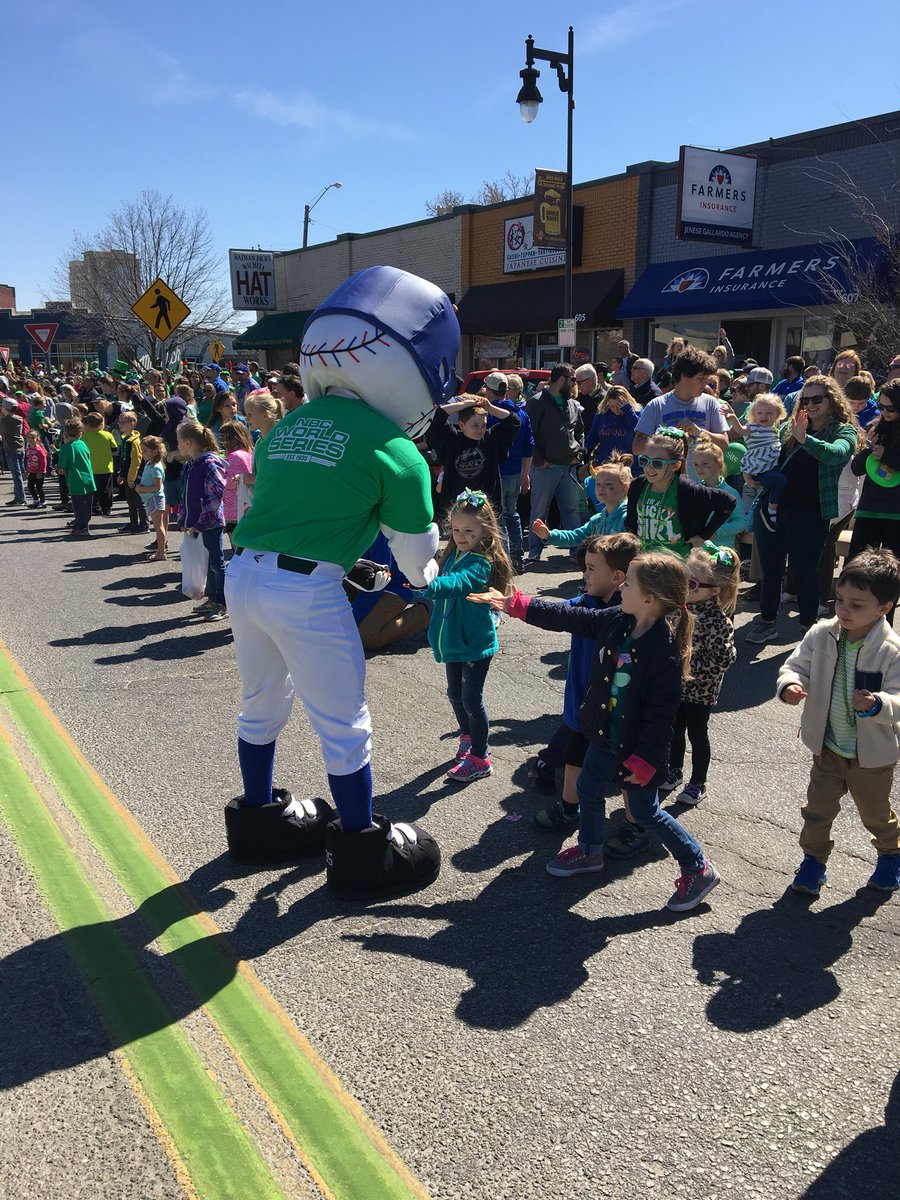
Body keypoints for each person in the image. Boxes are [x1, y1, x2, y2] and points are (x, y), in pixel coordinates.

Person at [224, 266, 456, 898]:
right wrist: (428, 579)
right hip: (305, 590)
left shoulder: (285, 430)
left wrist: (347, 559)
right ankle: (361, 849)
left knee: (260, 702)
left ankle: (259, 818)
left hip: (243, 576)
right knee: (344, 722)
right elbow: (416, 557)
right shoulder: (396, 448)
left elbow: (289, 517)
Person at [472, 552, 722, 911]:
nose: (621, 586)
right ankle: (590, 850)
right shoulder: (618, 620)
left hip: (638, 753)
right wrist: (520, 605)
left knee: (647, 811)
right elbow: (572, 616)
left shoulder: (663, 652)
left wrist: (646, 761)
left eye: (629, 583)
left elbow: (661, 717)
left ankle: (697, 866)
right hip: (604, 736)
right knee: (588, 788)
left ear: (650, 599)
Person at [778, 548, 900, 895]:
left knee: (875, 813)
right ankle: (813, 864)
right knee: (817, 811)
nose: (844, 610)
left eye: (856, 604)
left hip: (871, 757)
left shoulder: (891, 650)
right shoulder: (822, 634)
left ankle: (891, 853)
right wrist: (790, 685)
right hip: (828, 747)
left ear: (884, 608)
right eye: (840, 599)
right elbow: (794, 666)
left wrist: (879, 704)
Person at [531, 532, 642, 831]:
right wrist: (516, 604)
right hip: (583, 700)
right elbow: (555, 613)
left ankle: (635, 827)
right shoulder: (584, 601)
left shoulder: (631, 613)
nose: (584, 573)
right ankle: (569, 808)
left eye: (592, 568)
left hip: (617, 708)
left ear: (618, 576)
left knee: (625, 770)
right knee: (574, 754)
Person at [409, 490, 512, 783]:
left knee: (471, 699)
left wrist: (427, 585)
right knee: (455, 694)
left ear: (485, 530)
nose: (461, 536)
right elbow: (442, 579)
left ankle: (480, 758)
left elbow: (458, 583)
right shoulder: (452, 553)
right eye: (455, 530)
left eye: (469, 531)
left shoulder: (480, 560)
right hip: (454, 641)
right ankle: (467, 736)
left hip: (475, 642)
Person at [746, 376, 857, 644]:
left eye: (817, 399)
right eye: (805, 400)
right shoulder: (790, 427)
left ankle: (808, 628)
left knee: (805, 571)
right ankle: (768, 621)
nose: (810, 404)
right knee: (771, 570)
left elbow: (838, 454)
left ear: (832, 400)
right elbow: (767, 455)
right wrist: (752, 473)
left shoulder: (843, 430)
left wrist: (805, 439)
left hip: (811, 512)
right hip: (773, 507)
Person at [662, 546, 739, 806]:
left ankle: (698, 782)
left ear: (715, 589)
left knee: (697, 733)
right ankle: (674, 770)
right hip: (674, 687)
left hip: (700, 692)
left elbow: (724, 659)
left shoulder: (718, 620)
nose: (687, 587)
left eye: (693, 583)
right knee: (674, 731)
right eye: (685, 580)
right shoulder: (678, 609)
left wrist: (689, 672)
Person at [625, 427, 735, 557]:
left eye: (657, 463)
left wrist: (703, 536)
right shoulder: (638, 485)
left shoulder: (687, 489)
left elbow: (728, 502)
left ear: (675, 465)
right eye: (644, 460)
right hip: (645, 559)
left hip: (678, 562)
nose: (649, 467)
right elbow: (631, 523)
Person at [425, 390, 520, 522]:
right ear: (462, 425)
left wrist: (489, 407)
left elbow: (513, 421)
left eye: (483, 425)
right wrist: (463, 404)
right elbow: (437, 416)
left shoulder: (490, 439)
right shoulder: (451, 440)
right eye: (475, 425)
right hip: (457, 508)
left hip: (485, 508)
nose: (480, 429)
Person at [524, 364, 585, 564]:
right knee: (539, 510)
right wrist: (539, 461)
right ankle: (535, 549)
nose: (575, 384)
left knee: (571, 510)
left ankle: (577, 551)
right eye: (573, 380)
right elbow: (528, 433)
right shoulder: (537, 402)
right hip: (545, 468)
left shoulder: (572, 404)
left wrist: (579, 453)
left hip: (568, 468)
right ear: (561, 379)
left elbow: (579, 431)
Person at [633, 347, 728, 471]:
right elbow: (637, 448)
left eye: (706, 379)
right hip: (668, 484)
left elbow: (724, 444)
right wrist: (667, 436)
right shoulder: (656, 405)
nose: (704, 384)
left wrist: (699, 432)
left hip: (703, 484)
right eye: (700, 379)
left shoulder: (711, 403)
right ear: (684, 376)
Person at [848, 379, 900, 575]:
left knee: (891, 573)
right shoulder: (875, 427)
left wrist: (887, 456)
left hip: (896, 511)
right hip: (869, 507)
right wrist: (867, 448)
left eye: (891, 407)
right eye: (881, 406)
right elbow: (856, 469)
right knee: (856, 567)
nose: (885, 412)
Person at [177, 422, 227, 622]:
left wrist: (200, 523)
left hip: (211, 523)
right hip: (198, 523)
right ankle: (212, 598)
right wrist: (183, 518)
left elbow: (216, 495)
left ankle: (222, 603)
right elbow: (186, 495)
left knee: (217, 563)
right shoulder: (192, 464)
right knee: (208, 564)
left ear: (188, 442)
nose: (177, 445)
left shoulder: (208, 463)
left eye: (179, 441)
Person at [532, 452, 630, 550]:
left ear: (624, 488)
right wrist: (549, 535)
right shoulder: (598, 519)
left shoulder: (629, 518)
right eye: (598, 484)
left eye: (608, 484)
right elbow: (575, 536)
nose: (601, 489)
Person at [488, 372, 533, 574]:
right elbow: (528, 447)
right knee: (512, 514)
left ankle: (506, 561)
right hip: (516, 472)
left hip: (497, 473)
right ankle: (517, 558)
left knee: (499, 517)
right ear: (506, 391)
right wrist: (526, 474)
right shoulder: (521, 414)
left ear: (489, 391)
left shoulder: (488, 413)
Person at [723, 392, 789, 525]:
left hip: (768, 466)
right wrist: (733, 418)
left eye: (769, 413)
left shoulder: (773, 429)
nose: (763, 416)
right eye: (759, 413)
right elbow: (741, 430)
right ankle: (771, 509)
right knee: (780, 481)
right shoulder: (753, 428)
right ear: (754, 415)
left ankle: (752, 522)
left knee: (756, 500)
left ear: (777, 414)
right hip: (759, 469)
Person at [689, 438, 748, 548]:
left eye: (705, 464)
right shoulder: (694, 492)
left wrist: (717, 532)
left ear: (719, 464)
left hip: (721, 553)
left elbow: (741, 522)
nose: (699, 468)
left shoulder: (730, 493)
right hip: (697, 554)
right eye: (695, 464)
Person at [56, 418, 95, 537]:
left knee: (78, 505)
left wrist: (58, 469)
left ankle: (82, 527)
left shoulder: (66, 447)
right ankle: (85, 525)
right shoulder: (82, 444)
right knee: (87, 504)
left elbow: (62, 467)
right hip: (88, 479)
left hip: (75, 480)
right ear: (80, 433)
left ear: (66, 433)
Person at [218, 420, 255, 545]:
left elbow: (230, 482)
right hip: (246, 503)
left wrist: (220, 473)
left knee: (236, 544)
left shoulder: (234, 456)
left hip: (234, 507)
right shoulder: (249, 453)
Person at [585, 385, 640, 467]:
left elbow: (640, 430)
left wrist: (628, 411)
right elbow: (594, 434)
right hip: (606, 462)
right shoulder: (602, 414)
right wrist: (586, 446)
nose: (616, 410)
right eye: (612, 407)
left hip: (628, 464)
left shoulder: (636, 412)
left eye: (619, 406)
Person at [135, 436, 168, 560]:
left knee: (159, 526)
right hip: (152, 499)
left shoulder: (155, 467)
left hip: (155, 498)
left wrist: (141, 489)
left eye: (145, 450)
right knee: (158, 526)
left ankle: (161, 552)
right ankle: (161, 550)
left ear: (155, 452)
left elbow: (157, 487)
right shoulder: (150, 464)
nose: (142, 453)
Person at [81, 411, 118, 517]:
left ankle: (95, 507)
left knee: (94, 489)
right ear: (102, 423)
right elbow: (114, 448)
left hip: (92, 467)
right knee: (107, 489)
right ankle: (107, 508)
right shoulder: (108, 435)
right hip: (106, 467)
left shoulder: (85, 437)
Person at [117, 409, 148, 534]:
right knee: (130, 501)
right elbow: (124, 460)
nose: (120, 425)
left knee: (138, 501)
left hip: (134, 477)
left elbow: (136, 461)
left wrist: (131, 478)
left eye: (122, 422)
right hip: (126, 475)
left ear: (132, 423)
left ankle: (144, 524)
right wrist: (121, 475)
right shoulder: (125, 438)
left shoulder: (134, 441)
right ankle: (133, 522)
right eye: (119, 422)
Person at [0, 396, 26, 505]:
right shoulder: (19, 419)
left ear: (5, 408)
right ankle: (18, 497)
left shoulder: (3, 421)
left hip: (11, 449)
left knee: (16, 475)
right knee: (19, 473)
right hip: (20, 447)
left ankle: (20, 498)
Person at [24, 429, 48, 508]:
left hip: (39, 471)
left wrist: (41, 472)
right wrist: (27, 471)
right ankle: (36, 500)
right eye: (28, 437)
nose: (30, 439)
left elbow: (44, 461)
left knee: (39, 487)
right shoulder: (28, 450)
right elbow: (28, 461)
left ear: (37, 438)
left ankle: (43, 501)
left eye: (33, 437)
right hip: (32, 471)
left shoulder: (39, 450)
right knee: (30, 486)